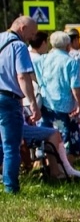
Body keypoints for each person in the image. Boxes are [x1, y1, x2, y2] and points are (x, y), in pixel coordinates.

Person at [0, 16, 41, 194]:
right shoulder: (19, 46)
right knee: (11, 146)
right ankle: (11, 188)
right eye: (31, 34)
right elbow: (22, 76)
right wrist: (32, 103)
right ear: (22, 28)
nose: (31, 38)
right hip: (9, 99)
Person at [33, 31, 80, 141]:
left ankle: (50, 158)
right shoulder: (71, 62)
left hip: (47, 103)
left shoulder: (42, 59)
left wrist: (42, 85)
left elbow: (34, 75)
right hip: (66, 106)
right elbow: (75, 86)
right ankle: (64, 158)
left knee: (49, 139)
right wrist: (79, 104)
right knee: (67, 140)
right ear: (67, 44)